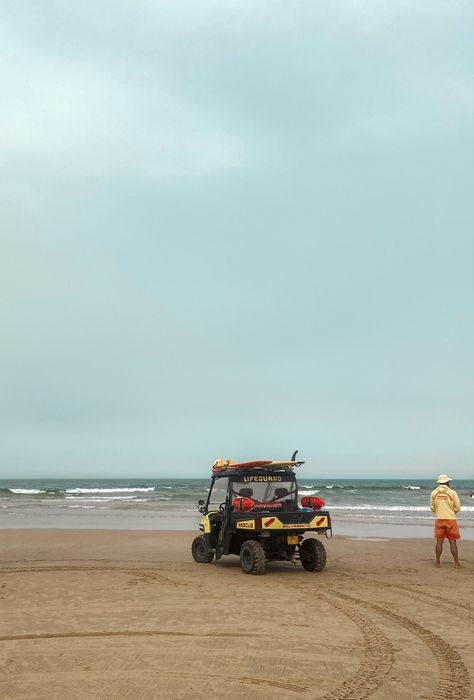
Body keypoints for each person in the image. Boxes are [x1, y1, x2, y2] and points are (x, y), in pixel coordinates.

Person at [430, 474, 462, 568]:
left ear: (439, 482)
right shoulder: (452, 493)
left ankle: (438, 562)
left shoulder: (434, 493)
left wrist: (438, 512)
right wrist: (452, 512)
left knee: (439, 541)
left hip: (439, 518)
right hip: (450, 519)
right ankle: (456, 563)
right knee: (453, 541)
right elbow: (458, 507)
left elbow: (432, 507)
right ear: (447, 482)